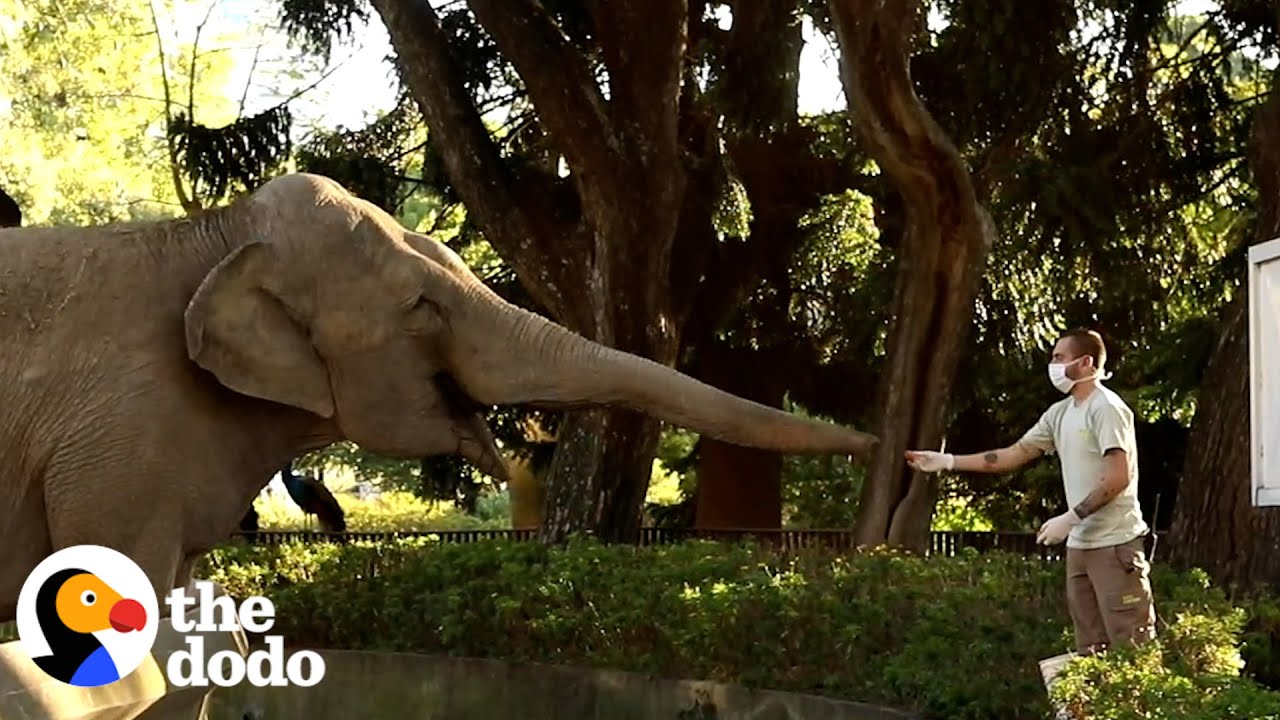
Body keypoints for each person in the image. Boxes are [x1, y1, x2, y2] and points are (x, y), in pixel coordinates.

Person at [905, 328, 1156, 656]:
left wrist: (1071, 517)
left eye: (1059, 358)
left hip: (1115, 546)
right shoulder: (1060, 413)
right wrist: (947, 461)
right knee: (1092, 653)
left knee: (1132, 652)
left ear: (1086, 363)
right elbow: (1012, 455)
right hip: (1079, 547)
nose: (1052, 365)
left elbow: (1118, 477)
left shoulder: (1105, 408)